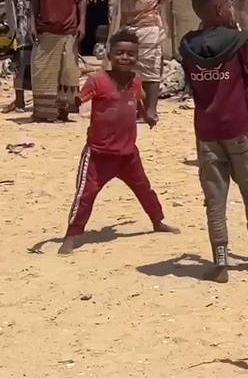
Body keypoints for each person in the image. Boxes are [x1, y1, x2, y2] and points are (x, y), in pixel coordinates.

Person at [178, 0, 248, 282]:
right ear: (222, 9)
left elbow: (192, 82)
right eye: (230, 6)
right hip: (237, 127)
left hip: (206, 130)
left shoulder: (187, 45)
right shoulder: (237, 41)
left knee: (214, 197)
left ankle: (220, 262)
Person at [59, 30, 179, 254]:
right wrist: (68, 101)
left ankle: (157, 221)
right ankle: (71, 235)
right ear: (110, 55)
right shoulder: (98, 80)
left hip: (128, 155)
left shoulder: (135, 81)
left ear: (137, 56)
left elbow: (139, 102)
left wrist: (147, 115)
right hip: (98, 155)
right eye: (120, 53)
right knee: (85, 195)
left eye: (131, 54)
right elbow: (79, 99)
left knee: (144, 189)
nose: (125, 57)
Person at [109, 0, 173, 123]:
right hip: (128, 27)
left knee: (150, 69)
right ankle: (134, 108)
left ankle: (151, 110)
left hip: (148, 24)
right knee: (128, 69)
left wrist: (148, 8)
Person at [27, 0, 87, 122]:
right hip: (46, 29)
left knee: (67, 72)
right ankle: (44, 113)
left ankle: (63, 112)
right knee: (43, 70)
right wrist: (31, 23)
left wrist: (82, 23)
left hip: (68, 29)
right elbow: (34, 0)